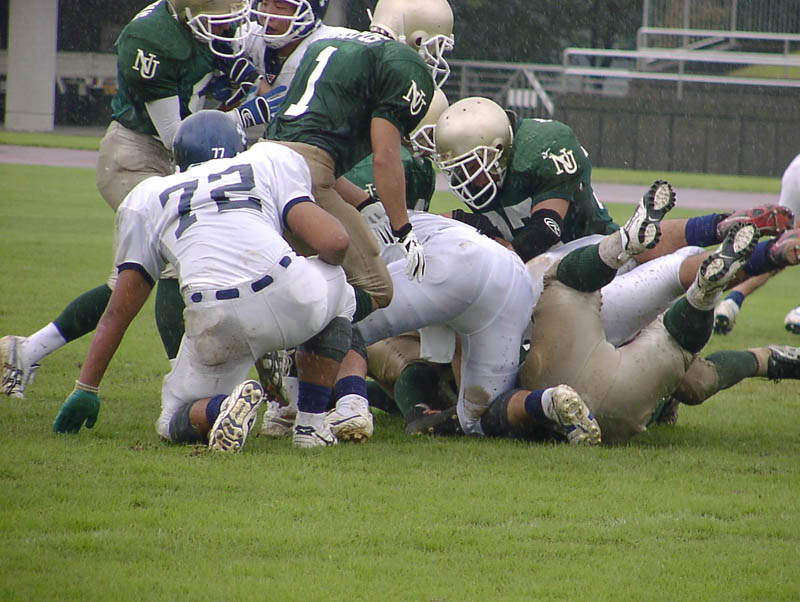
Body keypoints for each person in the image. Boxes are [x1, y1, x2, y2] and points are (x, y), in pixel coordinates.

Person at [0, 0, 275, 399]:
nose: (225, 28)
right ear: (188, 13)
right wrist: (244, 116)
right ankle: (189, 384)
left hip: (173, 158)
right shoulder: (151, 40)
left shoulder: (198, 27)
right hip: (136, 155)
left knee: (125, 286)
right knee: (175, 262)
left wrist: (235, 85)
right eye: (218, 21)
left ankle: (25, 351)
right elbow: (179, 137)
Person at [51, 110, 356, 451]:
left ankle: (220, 408)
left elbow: (118, 311)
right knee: (340, 289)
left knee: (171, 419)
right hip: (284, 285)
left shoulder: (149, 195)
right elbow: (335, 242)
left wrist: (87, 387)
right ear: (238, 147)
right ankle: (311, 425)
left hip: (214, 315)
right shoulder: (268, 160)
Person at [262, 2, 452, 320]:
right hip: (306, 175)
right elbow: (385, 157)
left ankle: (290, 331)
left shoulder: (328, 41)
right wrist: (404, 230)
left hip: (263, 159)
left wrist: (364, 202)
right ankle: (301, 336)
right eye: (435, 45)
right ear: (418, 37)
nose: (434, 56)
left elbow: (307, 142)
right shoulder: (401, 61)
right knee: (376, 288)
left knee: (303, 268)